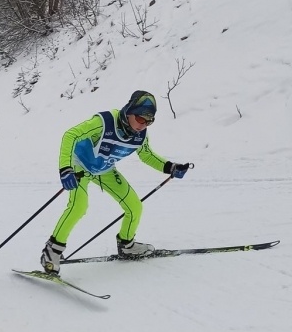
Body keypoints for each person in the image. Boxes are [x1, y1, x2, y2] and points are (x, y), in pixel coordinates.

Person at [40, 90, 190, 274]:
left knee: (134, 207)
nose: (143, 125)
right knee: (78, 206)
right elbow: (70, 135)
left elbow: (147, 155)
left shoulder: (140, 135)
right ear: (129, 111)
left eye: (149, 121)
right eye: (141, 119)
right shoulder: (104, 122)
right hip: (78, 164)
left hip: (104, 170)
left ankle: (127, 245)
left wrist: (170, 167)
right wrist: (65, 169)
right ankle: (52, 251)